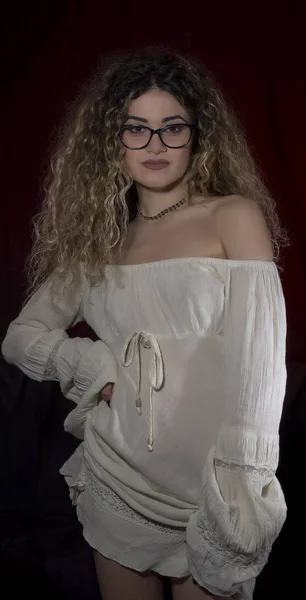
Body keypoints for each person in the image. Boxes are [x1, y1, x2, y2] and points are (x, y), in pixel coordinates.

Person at [2, 47, 288, 600]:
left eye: (171, 128)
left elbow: (260, 364)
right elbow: (21, 337)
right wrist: (95, 369)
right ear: (113, 141)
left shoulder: (233, 215)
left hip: (212, 486)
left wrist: (242, 480)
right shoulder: (96, 243)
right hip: (120, 475)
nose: (154, 145)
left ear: (196, 135)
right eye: (136, 129)